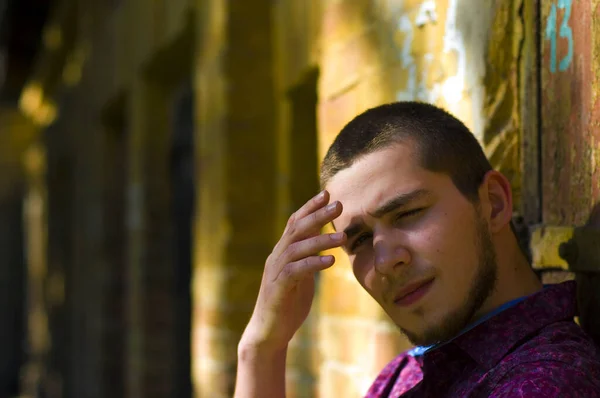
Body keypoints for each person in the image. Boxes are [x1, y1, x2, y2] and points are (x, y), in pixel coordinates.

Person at [233, 102, 600, 397]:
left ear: (493, 203)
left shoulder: (546, 381)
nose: (385, 261)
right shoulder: (403, 375)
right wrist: (262, 349)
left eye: (407, 213)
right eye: (359, 240)